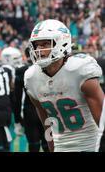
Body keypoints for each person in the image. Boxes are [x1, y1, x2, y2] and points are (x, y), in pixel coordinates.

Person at [24, 19, 104, 152]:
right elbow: (47, 124)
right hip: (61, 147)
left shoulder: (79, 70)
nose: (39, 50)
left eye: (45, 44)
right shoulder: (32, 78)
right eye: (36, 45)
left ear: (62, 42)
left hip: (90, 145)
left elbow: (103, 120)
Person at [14, 47, 49, 152]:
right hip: (46, 109)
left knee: (34, 145)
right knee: (48, 143)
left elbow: (17, 97)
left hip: (30, 111)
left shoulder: (21, 70)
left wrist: (17, 119)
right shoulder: (47, 67)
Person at [0, 46, 28, 152]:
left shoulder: (2, 71)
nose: (19, 60)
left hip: (7, 108)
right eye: (16, 58)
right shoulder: (22, 70)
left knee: (10, 135)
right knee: (22, 133)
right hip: (17, 107)